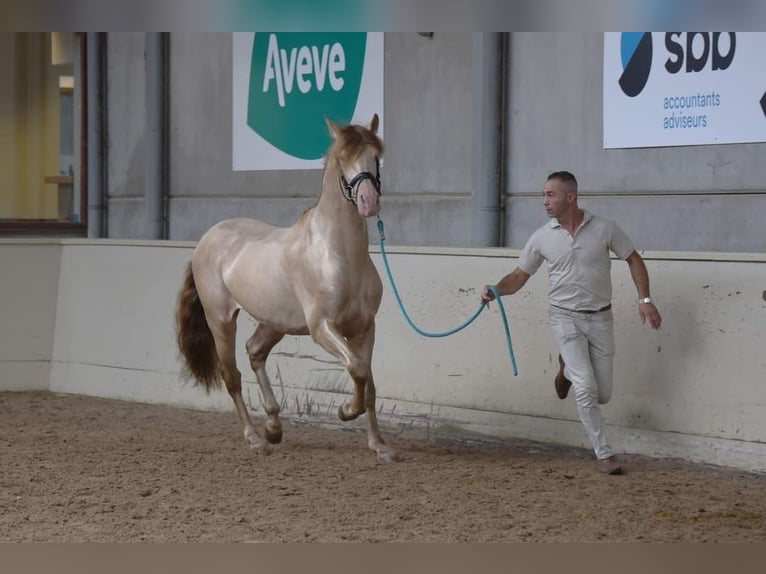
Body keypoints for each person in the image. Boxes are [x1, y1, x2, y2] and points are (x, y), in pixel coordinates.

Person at [481, 171, 662, 475]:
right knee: (586, 388)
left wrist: (644, 300)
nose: (545, 202)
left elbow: (633, 258)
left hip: (601, 318)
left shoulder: (605, 228)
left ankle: (565, 369)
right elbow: (518, 276)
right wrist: (496, 289)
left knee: (603, 393)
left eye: (550, 195)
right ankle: (604, 454)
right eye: (544, 195)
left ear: (571, 196)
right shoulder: (541, 237)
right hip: (563, 318)